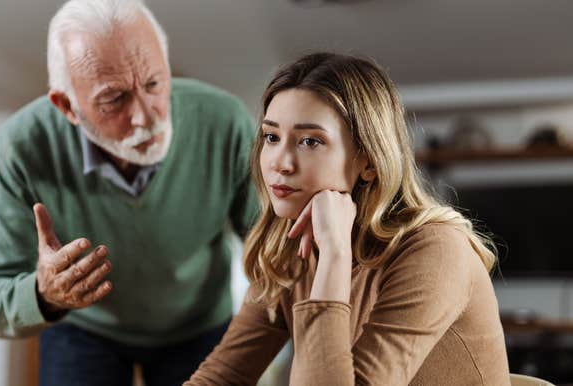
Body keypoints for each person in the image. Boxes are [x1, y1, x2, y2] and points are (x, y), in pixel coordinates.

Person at [0, 1, 258, 385]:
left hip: (199, 324)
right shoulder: (22, 145)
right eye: (114, 99)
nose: (147, 116)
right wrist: (44, 294)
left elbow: (270, 247)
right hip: (84, 328)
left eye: (154, 84)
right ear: (67, 106)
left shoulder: (226, 121)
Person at [186, 53, 511, 385]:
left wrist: (335, 255)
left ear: (368, 162)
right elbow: (220, 378)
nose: (280, 162)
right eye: (271, 137)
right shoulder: (287, 251)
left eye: (310, 141)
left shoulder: (436, 249)